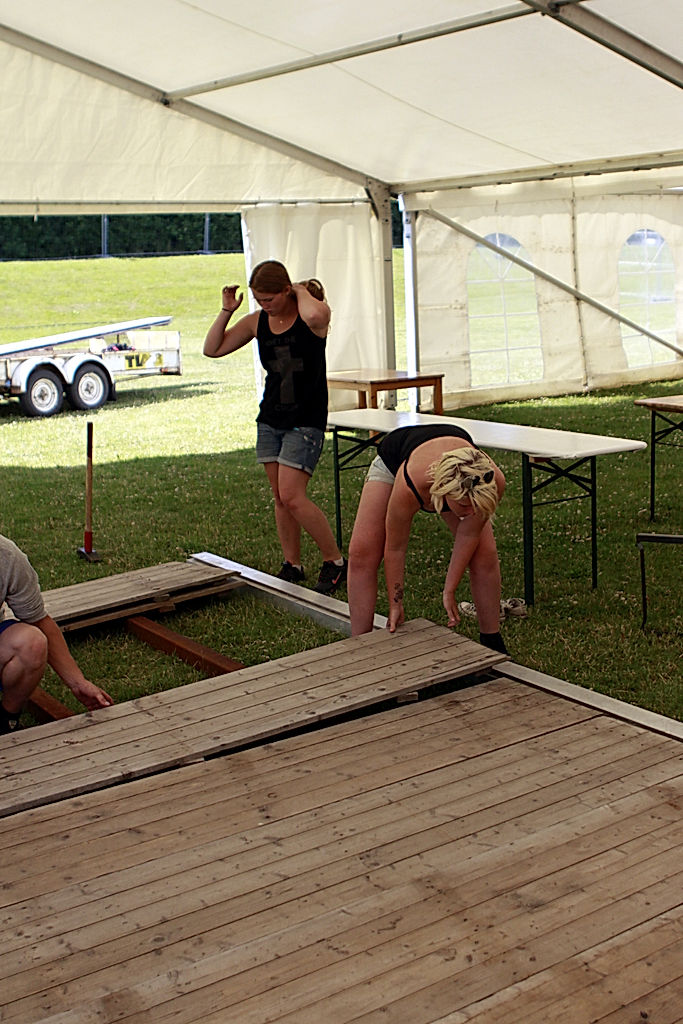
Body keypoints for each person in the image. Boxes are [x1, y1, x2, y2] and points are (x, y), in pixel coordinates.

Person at [203, 259, 347, 595]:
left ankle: (336, 561)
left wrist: (298, 289)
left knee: (293, 496)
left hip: (305, 420)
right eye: (258, 300)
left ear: (285, 290)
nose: (264, 306)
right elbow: (212, 349)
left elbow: (317, 315)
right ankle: (292, 564)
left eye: (269, 299)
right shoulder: (258, 322)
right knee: (281, 498)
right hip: (271, 418)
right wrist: (226, 311)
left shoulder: (310, 318)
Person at [347, 424, 508, 653]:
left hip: (458, 462)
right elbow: (395, 547)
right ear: (442, 491)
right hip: (397, 457)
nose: (471, 513)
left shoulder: (490, 482)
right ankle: (359, 644)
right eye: (464, 506)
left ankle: (492, 640)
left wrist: (449, 590)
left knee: (484, 554)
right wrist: (395, 602)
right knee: (362, 551)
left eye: (476, 506)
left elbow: (469, 533)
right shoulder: (410, 485)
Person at [0, 534, 114, 734]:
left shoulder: (7, 557)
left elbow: (39, 621)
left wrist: (78, 682)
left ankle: (6, 718)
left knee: (32, 643)